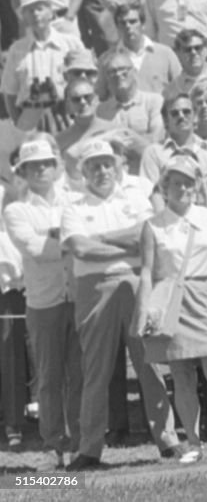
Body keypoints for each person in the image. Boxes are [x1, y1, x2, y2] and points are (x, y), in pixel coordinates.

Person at [61, 139, 178, 470]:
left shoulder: (134, 197)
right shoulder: (73, 206)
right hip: (93, 288)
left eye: (106, 164)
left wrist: (102, 237)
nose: (101, 170)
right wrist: (129, 246)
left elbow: (147, 233)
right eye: (94, 165)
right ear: (84, 171)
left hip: (136, 283)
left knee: (150, 364)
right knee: (95, 372)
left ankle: (168, 440)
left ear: (117, 167)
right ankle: (89, 450)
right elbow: (81, 250)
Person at [134, 155, 207, 463]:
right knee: (181, 372)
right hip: (170, 300)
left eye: (188, 182)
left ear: (196, 186)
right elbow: (146, 271)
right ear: (164, 187)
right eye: (175, 182)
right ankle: (193, 443)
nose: (183, 188)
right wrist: (144, 310)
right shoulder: (153, 225)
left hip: (205, 295)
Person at [4, 136, 82, 467]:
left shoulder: (75, 199)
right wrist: (69, 239)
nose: (39, 170)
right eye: (32, 165)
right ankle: (54, 446)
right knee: (49, 378)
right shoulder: (16, 209)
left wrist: (59, 239)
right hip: (43, 302)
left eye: (45, 163)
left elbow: (67, 242)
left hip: (78, 298)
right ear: (22, 171)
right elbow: (36, 249)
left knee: (79, 375)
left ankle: (81, 444)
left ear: (56, 167)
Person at [1, 0, 85, 132]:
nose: (35, 14)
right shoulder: (16, 50)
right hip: (31, 115)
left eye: (40, 9)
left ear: (51, 12)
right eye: (29, 11)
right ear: (23, 17)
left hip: (67, 113)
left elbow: (88, 83)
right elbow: (9, 93)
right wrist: (20, 125)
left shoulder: (72, 44)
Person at [139, 94, 207, 185]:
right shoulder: (154, 153)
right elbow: (149, 192)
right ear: (166, 120)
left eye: (186, 112)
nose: (181, 116)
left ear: (195, 117)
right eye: (175, 113)